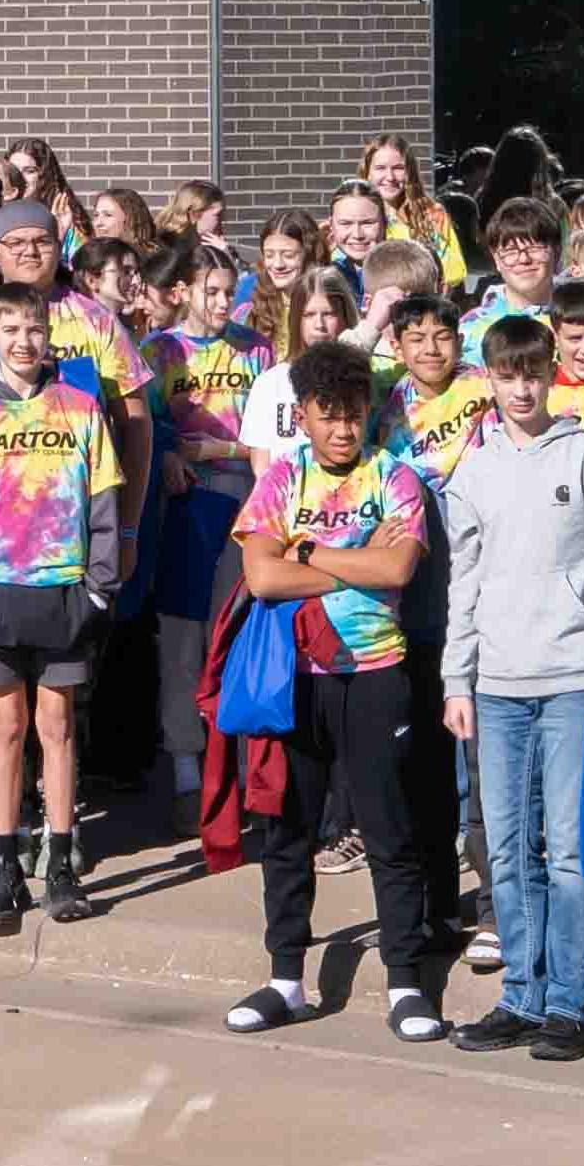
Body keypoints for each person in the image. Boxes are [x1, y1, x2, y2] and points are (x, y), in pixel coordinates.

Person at [225, 341, 457, 1044]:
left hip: (377, 674)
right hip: (292, 681)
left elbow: (397, 573)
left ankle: (407, 983)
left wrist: (304, 552)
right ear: (303, 416)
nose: (342, 430)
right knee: (289, 829)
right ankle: (285, 978)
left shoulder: (396, 478)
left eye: (353, 415)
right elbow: (260, 580)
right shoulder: (279, 481)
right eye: (328, 416)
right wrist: (353, 563)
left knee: (389, 830)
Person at [429, 311, 584, 1057]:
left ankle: (569, 999)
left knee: (569, 847)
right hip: (493, 685)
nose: (520, 388)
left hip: (575, 680)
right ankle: (519, 991)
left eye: (531, 372)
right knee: (507, 849)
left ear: (550, 373)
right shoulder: (474, 470)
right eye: (505, 374)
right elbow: (463, 581)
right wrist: (456, 677)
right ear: (486, 378)